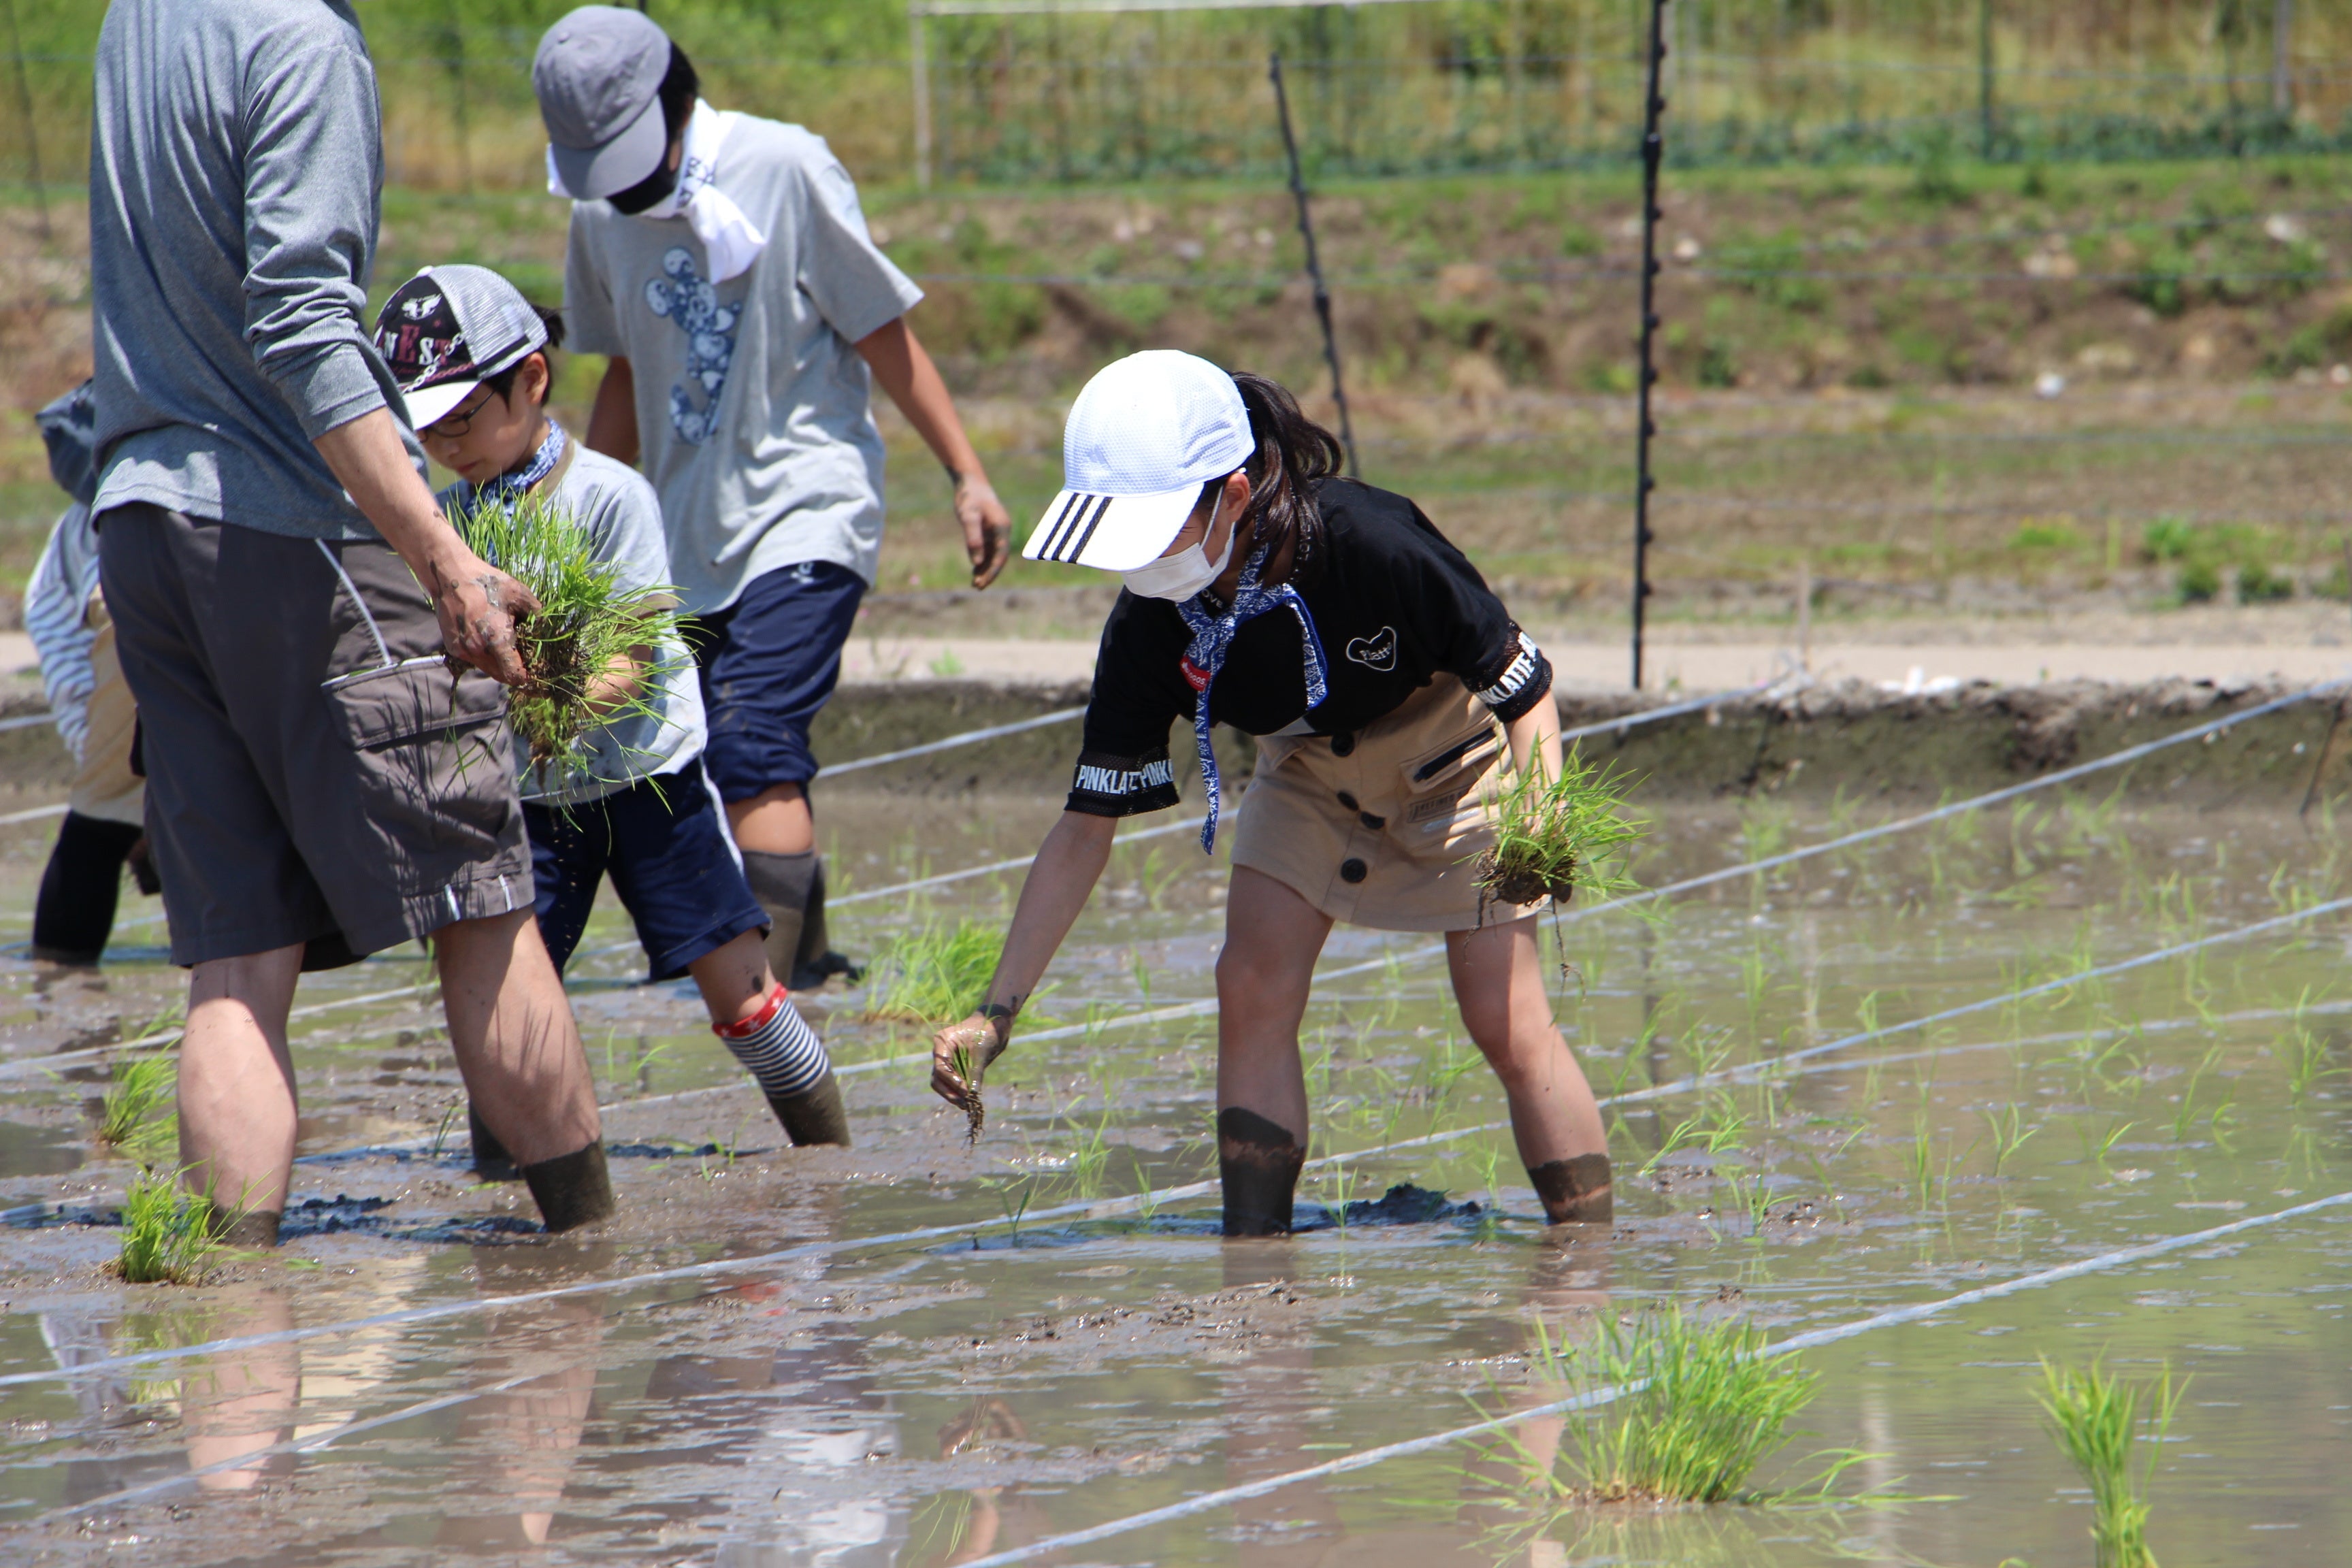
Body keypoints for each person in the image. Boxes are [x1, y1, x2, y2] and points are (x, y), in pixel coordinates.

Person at [87, 0, 612, 1244]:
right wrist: (448, 563)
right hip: (289, 523)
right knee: (480, 900)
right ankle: (592, 1259)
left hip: (145, 521)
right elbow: (303, 321)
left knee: (236, 955)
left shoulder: (141, 18)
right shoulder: (303, 41)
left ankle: (229, 1325)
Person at [928, 352, 1614, 1236]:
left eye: (1158, 527)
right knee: (1247, 981)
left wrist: (1545, 817)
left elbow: (1524, 687)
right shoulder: (1151, 618)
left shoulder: (1373, 544)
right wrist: (996, 1015)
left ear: (1236, 495)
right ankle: (1255, 1259)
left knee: (1506, 1019)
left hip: (1455, 764)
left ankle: (1587, 1262)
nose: (1137, 562)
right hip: (1304, 775)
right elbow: (1084, 828)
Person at [532, 5, 1015, 993]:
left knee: (753, 739)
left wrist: (967, 472)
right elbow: (621, 370)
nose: (628, 190)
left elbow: (878, 324)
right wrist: (575, 530)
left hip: (808, 496)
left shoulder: (788, 167)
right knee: (711, 754)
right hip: (683, 525)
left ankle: (766, 1019)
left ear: (678, 99)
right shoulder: (597, 217)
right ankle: (816, 956)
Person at [375, 263, 849, 1151]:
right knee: (506, 1005)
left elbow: (629, 660)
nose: (447, 443)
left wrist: (537, 696)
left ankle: (827, 1158)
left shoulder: (609, 495)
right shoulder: (443, 527)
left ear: (535, 379)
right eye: (426, 429)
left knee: (739, 988)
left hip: (646, 785)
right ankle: (512, 1199)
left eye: (463, 417)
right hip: (532, 806)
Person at [23, 380, 160, 964]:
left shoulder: (84, 527)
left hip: (133, 632)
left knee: (106, 821)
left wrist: (94, 751)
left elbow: (50, 621)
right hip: (137, 635)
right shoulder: (93, 527)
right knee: (110, 821)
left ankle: (63, 986)